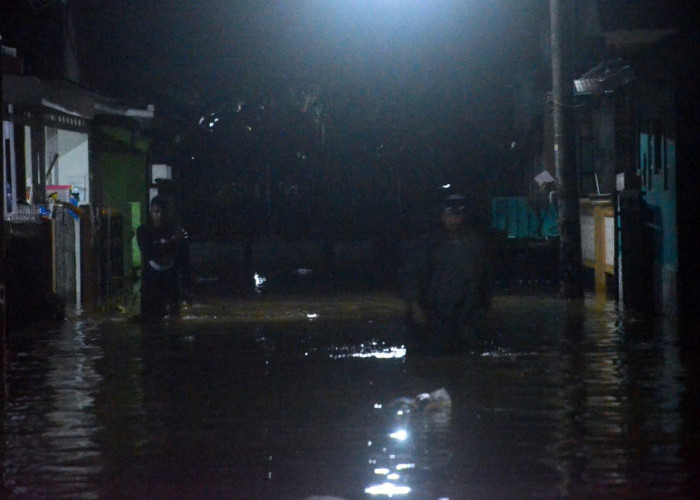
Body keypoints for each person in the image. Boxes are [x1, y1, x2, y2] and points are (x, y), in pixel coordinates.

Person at [400, 193, 491, 354]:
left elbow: (483, 277)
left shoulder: (474, 242)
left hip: (466, 312)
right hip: (435, 312)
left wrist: (483, 308)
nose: (454, 220)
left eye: (458, 215)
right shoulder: (429, 243)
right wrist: (415, 307)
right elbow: (412, 275)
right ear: (442, 216)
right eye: (450, 215)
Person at [136, 196, 190, 320]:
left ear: (166, 213)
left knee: (173, 317)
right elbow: (148, 251)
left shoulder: (175, 231)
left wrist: (186, 286)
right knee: (149, 319)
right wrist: (171, 241)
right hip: (151, 283)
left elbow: (183, 258)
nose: (158, 216)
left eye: (161, 212)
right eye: (155, 212)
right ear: (151, 213)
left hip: (170, 281)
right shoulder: (144, 231)